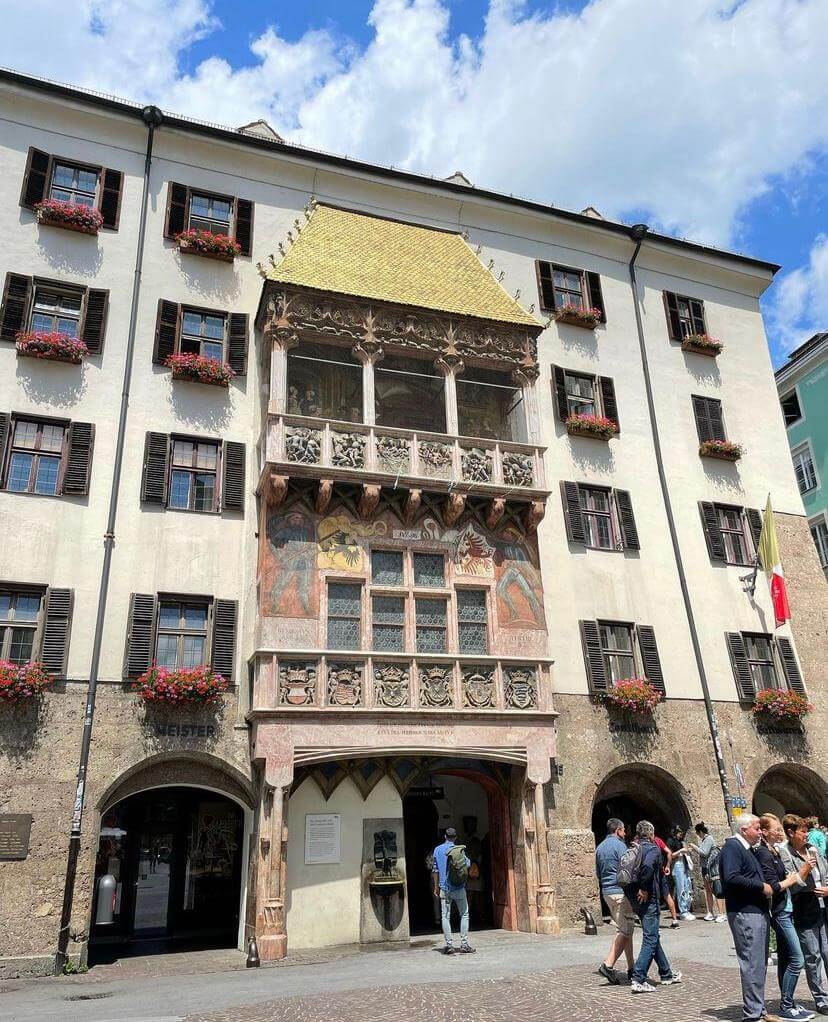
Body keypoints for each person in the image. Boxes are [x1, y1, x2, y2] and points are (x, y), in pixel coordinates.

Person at [756, 813, 814, 1020]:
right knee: (797, 959)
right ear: (764, 832)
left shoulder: (774, 852)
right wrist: (795, 877)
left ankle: (788, 1002)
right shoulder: (764, 853)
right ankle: (786, 1005)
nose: (780, 832)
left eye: (781, 828)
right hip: (780, 911)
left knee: (786, 959)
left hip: (787, 909)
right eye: (776, 829)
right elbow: (773, 886)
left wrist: (792, 877)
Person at [720, 813, 776, 1022]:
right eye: (756, 828)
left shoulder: (748, 849)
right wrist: (761, 886)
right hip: (745, 912)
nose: (760, 831)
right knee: (752, 963)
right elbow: (732, 877)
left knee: (759, 963)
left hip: (756, 911)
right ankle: (753, 1014)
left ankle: (759, 1010)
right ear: (744, 830)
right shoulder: (733, 847)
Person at [626, 820, 683, 994]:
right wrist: (643, 888)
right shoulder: (651, 849)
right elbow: (649, 867)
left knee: (653, 936)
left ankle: (666, 973)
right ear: (651, 834)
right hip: (648, 897)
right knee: (650, 938)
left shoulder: (634, 848)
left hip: (635, 898)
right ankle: (638, 978)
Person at [780, 814, 828, 1015]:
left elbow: (826, 872)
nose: (806, 835)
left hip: (823, 906)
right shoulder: (786, 853)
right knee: (812, 956)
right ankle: (821, 999)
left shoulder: (813, 849)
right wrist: (806, 868)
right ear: (791, 833)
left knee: (827, 953)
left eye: (807, 831)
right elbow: (792, 884)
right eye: (803, 832)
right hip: (804, 908)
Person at [595, 818, 636, 984]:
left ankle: (632, 967)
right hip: (620, 892)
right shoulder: (620, 846)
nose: (625, 833)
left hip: (607, 892)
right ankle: (608, 964)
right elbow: (628, 869)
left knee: (625, 929)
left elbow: (598, 872)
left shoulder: (599, 848)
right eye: (624, 830)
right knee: (626, 930)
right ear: (618, 830)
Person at [432, 826, 475, 955]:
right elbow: (467, 864)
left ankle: (449, 945)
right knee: (464, 914)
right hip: (459, 888)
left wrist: (436, 886)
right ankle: (464, 944)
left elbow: (435, 870)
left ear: (445, 836)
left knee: (445, 916)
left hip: (444, 887)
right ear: (455, 837)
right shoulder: (460, 849)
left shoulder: (437, 850)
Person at [693, 821, 727, 922]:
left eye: (697, 833)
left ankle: (721, 913)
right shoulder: (704, 840)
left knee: (717, 890)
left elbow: (704, 852)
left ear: (700, 832)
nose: (698, 836)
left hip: (712, 868)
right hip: (705, 868)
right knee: (708, 890)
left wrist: (694, 847)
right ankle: (710, 912)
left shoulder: (709, 839)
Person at [668, 825, 696, 921]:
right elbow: (671, 855)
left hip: (684, 864)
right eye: (680, 833)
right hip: (677, 866)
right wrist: (681, 850)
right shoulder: (670, 841)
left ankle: (687, 909)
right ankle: (683, 911)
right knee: (681, 888)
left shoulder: (681, 841)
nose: (681, 835)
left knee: (687, 886)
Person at [654, 833, 680, 928]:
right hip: (661, 871)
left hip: (651, 873)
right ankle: (675, 921)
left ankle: (655, 924)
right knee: (667, 895)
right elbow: (669, 852)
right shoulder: (658, 839)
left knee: (654, 897)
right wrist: (668, 866)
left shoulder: (639, 841)